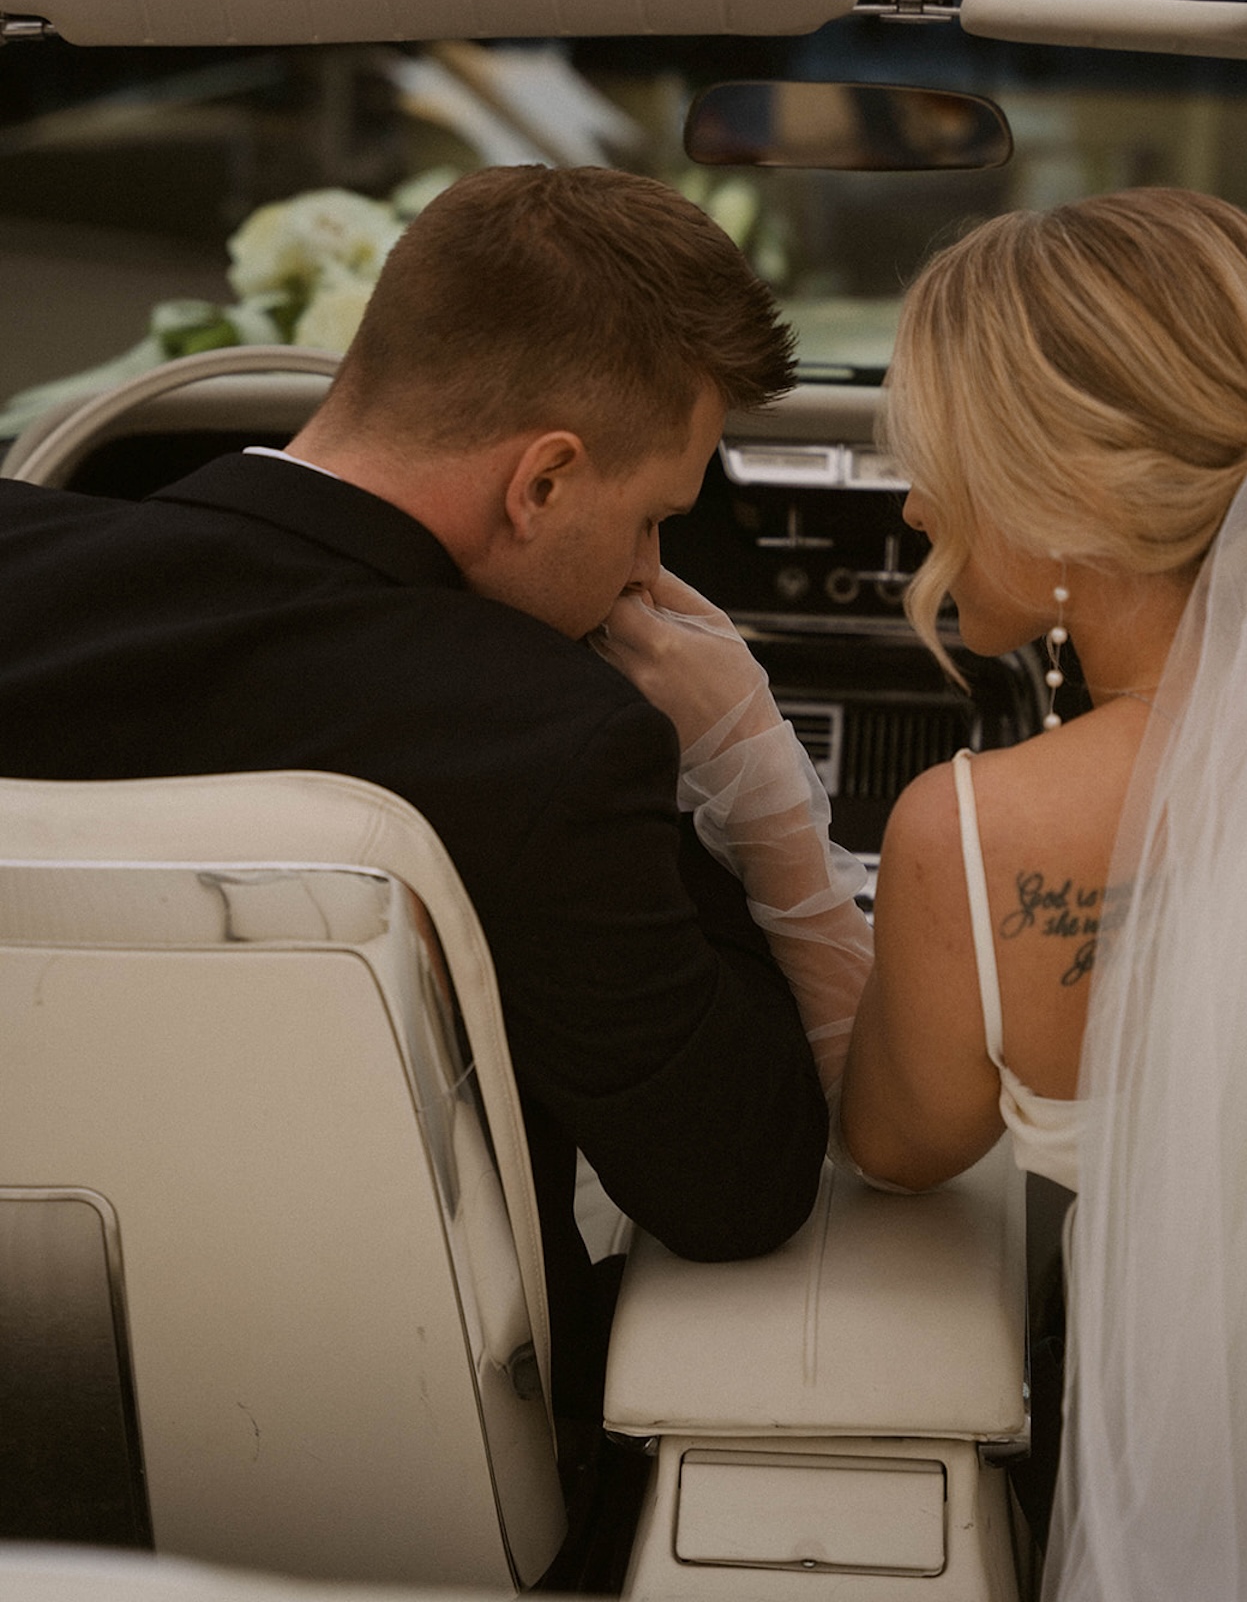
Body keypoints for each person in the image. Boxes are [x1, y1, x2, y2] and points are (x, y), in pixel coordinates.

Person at [0, 164, 869, 1434]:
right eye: (648, 521)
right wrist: (750, 774)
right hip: (411, 1464)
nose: (647, 574)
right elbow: (740, 1186)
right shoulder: (544, 739)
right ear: (542, 482)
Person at [606, 185, 1247, 1598]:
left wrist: (766, 801)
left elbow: (896, 1150)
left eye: (939, 456)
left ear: (1066, 503)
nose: (913, 503)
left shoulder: (987, 832)